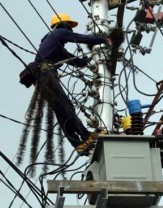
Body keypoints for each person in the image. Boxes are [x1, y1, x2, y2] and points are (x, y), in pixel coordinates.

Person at [20, 13, 110, 155]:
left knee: (62, 112)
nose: (70, 29)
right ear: (63, 24)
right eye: (69, 26)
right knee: (67, 107)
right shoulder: (59, 33)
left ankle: (78, 144)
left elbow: (74, 60)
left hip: (41, 80)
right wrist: (105, 39)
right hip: (46, 76)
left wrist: (87, 61)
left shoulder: (54, 44)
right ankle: (87, 136)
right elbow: (83, 38)